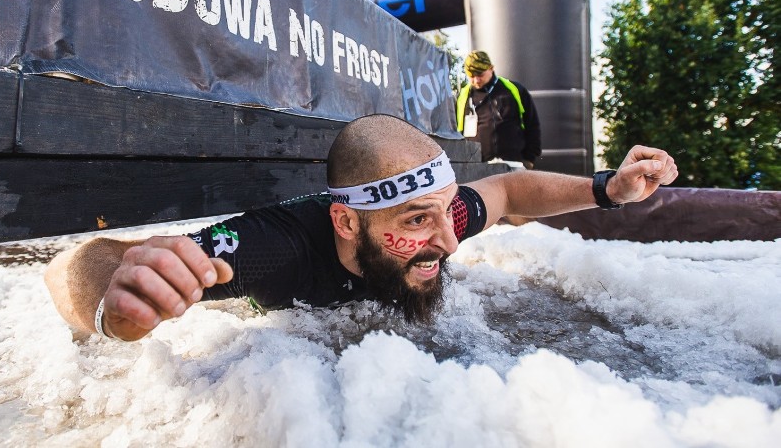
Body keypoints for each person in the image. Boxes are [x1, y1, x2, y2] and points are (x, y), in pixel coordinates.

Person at [44, 114, 677, 341]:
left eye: (447, 212)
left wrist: (608, 190)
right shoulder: (275, 248)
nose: (450, 240)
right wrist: (114, 300)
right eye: (417, 221)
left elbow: (508, 189)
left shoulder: (442, 215)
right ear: (346, 221)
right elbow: (81, 262)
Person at [456, 50, 542, 169]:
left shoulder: (514, 89)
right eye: (471, 76)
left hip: (513, 164)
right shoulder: (463, 96)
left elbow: (532, 124)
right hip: (477, 167)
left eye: (480, 75)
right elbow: (458, 131)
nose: (476, 80)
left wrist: (529, 159)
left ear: (491, 68)